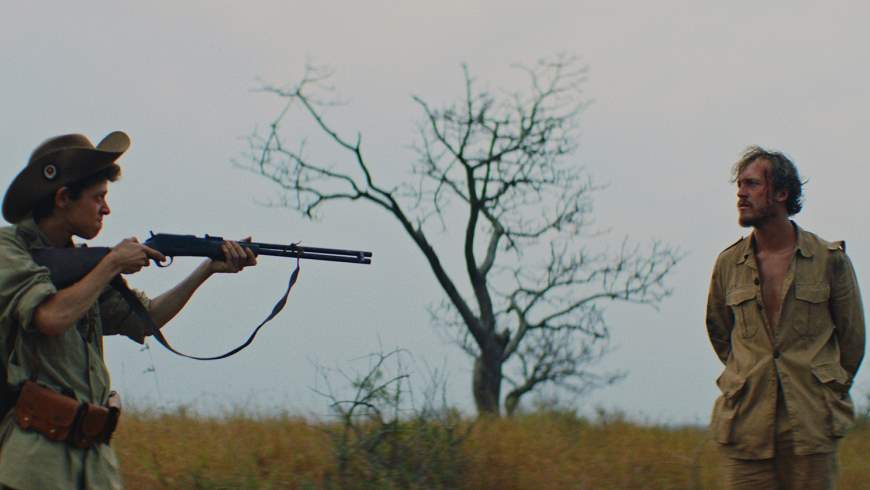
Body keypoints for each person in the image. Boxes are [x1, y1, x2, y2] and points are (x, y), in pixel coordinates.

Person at [0, 131, 257, 489]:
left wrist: (206, 270)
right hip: (34, 463)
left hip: (93, 460)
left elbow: (145, 318)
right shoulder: (8, 249)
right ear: (62, 198)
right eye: (98, 198)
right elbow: (50, 318)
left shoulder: (80, 264)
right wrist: (111, 264)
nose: (106, 208)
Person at [705, 146, 865, 489]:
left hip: (811, 426)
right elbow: (720, 333)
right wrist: (748, 373)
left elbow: (852, 340)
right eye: (739, 185)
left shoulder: (828, 260)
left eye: (751, 185)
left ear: (781, 193)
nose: (740, 193)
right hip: (746, 427)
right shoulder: (728, 265)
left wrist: (827, 390)